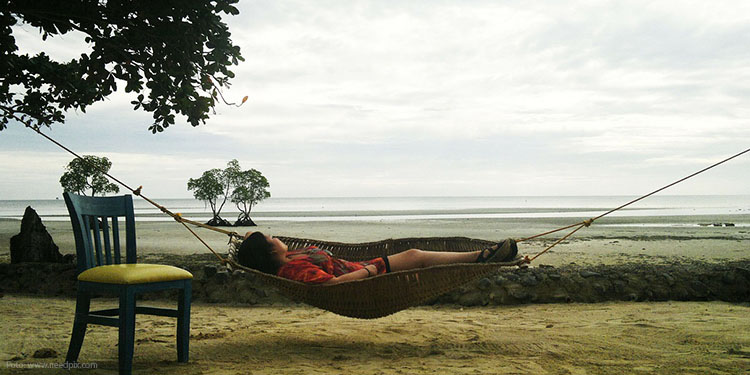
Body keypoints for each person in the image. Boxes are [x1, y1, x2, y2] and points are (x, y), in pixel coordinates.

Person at [236, 231, 519, 285]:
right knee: (416, 256)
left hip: (367, 266)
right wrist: (371, 271)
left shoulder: (292, 257)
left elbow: (251, 238)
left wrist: (245, 239)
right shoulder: (292, 271)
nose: (276, 237)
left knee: (418, 256)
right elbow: (333, 286)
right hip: (368, 275)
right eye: (270, 238)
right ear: (271, 250)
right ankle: (483, 256)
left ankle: (487, 256)